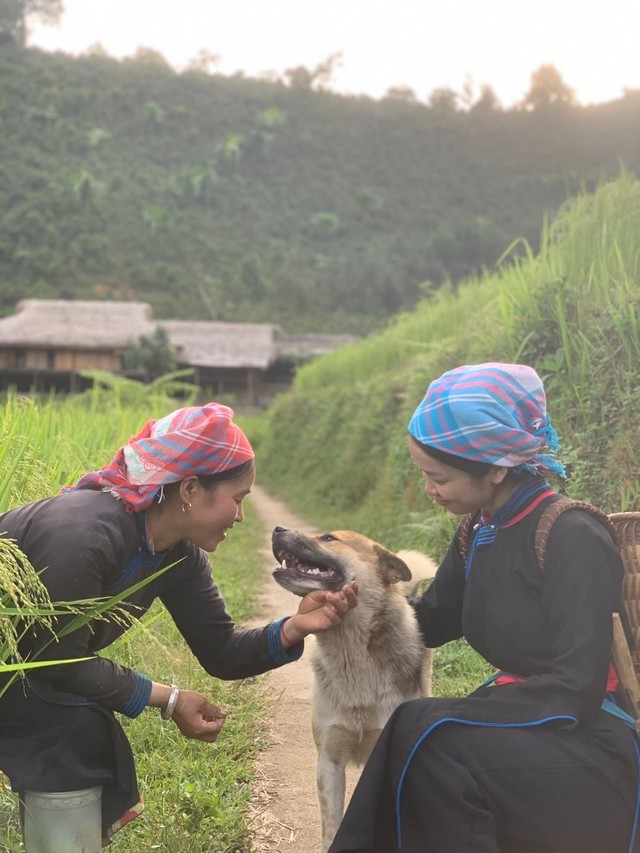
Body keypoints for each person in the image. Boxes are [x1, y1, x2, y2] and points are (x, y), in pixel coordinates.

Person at [0, 402, 357, 848]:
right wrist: (168, 700)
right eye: (238, 499)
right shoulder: (84, 532)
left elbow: (221, 651)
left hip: (28, 675)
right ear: (190, 489)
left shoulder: (175, 555)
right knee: (71, 730)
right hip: (18, 674)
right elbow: (59, 659)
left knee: (74, 728)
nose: (241, 515)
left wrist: (295, 627)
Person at [330, 362, 638, 853]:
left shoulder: (571, 536)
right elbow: (429, 620)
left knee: (426, 732)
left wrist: (476, 708)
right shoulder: (481, 531)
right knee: (416, 729)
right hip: (534, 727)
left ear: (496, 468)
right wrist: (355, 604)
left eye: (439, 477)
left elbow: (578, 688)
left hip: (588, 743)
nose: (429, 489)